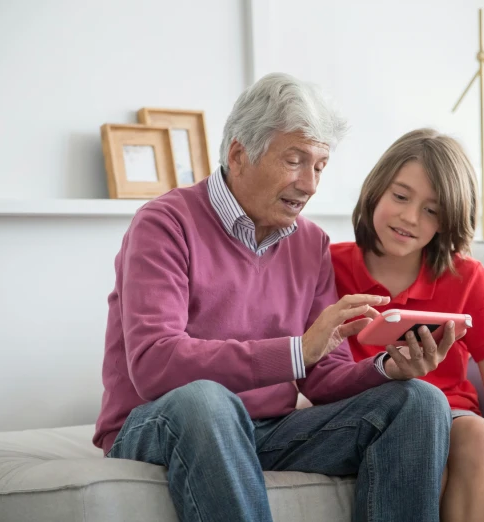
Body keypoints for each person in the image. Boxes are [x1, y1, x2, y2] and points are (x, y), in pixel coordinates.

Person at [93, 74, 456, 522]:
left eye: (320, 166)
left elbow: (323, 378)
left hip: (265, 431)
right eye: (295, 160)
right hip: (158, 423)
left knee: (419, 401)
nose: (309, 184)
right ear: (239, 154)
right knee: (207, 400)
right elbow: (154, 365)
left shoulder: (311, 243)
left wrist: (386, 368)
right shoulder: (165, 224)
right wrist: (296, 350)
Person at [330, 128, 484, 522]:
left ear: (447, 221)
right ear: (376, 191)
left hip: (450, 414)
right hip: (361, 414)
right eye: (401, 196)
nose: (410, 217)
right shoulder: (326, 266)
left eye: (432, 210)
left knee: (478, 435)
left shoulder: (467, 276)